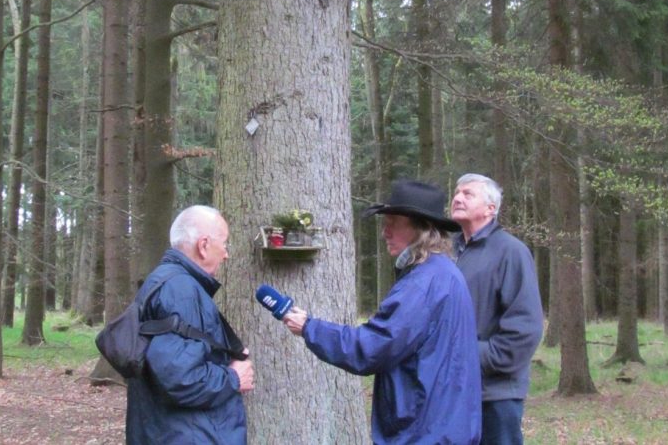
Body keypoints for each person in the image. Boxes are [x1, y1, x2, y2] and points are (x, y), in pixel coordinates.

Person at [282, 180, 482, 444]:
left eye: (392, 223)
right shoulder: (443, 274)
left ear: (419, 228)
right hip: (443, 426)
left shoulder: (423, 284)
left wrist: (309, 327)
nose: (384, 232)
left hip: (425, 432)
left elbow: (372, 348)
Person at [126, 205, 255, 445]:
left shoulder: (168, 282)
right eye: (224, 243)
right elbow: (180, 378)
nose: (226, 254)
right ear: (204, 245)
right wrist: (233, 377)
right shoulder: (180, 291)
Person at [449, 174, 543, 445]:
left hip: (495, 395)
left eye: (468, 194)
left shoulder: (511, 252)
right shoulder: (448, 252)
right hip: (452, 392)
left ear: (491, 208)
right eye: (456, 193)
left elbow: (526, 329)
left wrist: (469, 356)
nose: (457, 198)